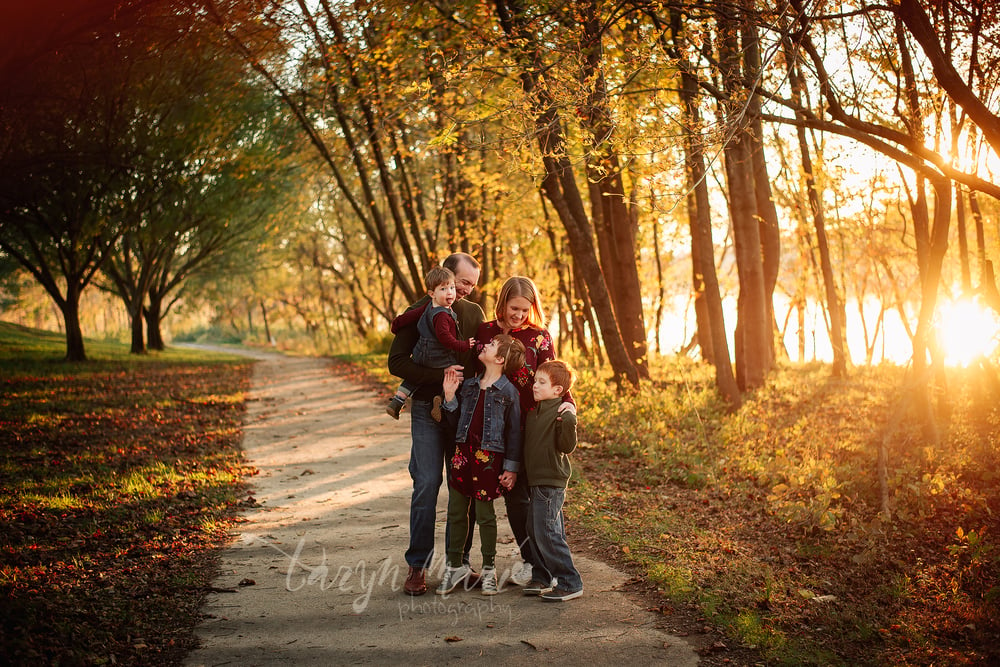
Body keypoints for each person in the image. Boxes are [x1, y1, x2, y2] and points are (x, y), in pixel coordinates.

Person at [388, 253, 485, 596]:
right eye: (461, 283)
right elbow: (396, 361)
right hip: (428, 409)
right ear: (444, 279)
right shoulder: (421, 311)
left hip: (463, 410)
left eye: (472, 285)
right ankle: (418, 566)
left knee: (463, 485)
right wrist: (438, 375)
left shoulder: (473, 312)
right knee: (427, 483)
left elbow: (483, 359)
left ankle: (459, 563)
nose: (466, 291)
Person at [474, 276, 575, 586]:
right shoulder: (486, 332)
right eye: (513, 307)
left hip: (530, 426)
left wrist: (568, 404)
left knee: (537, 499)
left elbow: (553, 374)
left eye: (524, 309)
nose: (518, 315)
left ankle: (544, 566)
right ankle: (533, 562)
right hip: (493, 425)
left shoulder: (539, 337)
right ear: (503, 303)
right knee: (513, 498)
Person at [436, 334, 525, 596]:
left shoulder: (509, 393)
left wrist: (511, 468)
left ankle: (489, 569)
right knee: (455, 512)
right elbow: (453, 425)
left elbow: (514, 433)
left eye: (491, 345)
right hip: (462, 455)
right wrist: (450, 397)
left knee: (485, 516)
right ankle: (453, 567)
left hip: (489, 461)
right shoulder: (470, 386)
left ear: (499, 359)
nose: (484, 345)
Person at [522, 359, 583, 601]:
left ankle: (570, 581)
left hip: (551, 480)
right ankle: (543, 574)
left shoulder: (561, 411)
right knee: (535, 530)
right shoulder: (536, 410)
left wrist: (569, 419)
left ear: (558, 390)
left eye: (542, 382)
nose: (534, 386)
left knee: (547, 533)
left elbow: (567, 447)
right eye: (535, 381)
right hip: (536, 480)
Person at [386, 266, 475, 420]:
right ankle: (440, 401)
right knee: (454, 369)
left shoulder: (428, 306)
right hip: (436, 354)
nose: (450, 292)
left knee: (413, 378)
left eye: (452, 287)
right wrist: (464, 345)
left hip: (421, 355)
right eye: (444, 288)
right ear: (432, 293)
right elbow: (446, 339)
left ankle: (398, 399)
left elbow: (409, 317)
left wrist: (396, 324)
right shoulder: (442, 314)